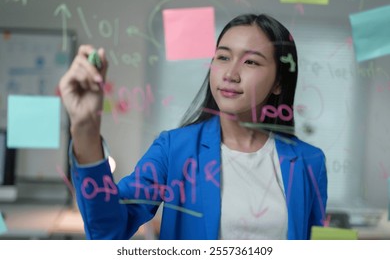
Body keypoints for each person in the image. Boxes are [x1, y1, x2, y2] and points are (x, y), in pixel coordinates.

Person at [59, 13, 327, 240]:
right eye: (223, 57)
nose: (231, 74)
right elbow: (108, 231)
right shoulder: (174, 150)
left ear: (279, 82)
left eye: (251, 62)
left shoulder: (309, 162)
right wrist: (85, 129)